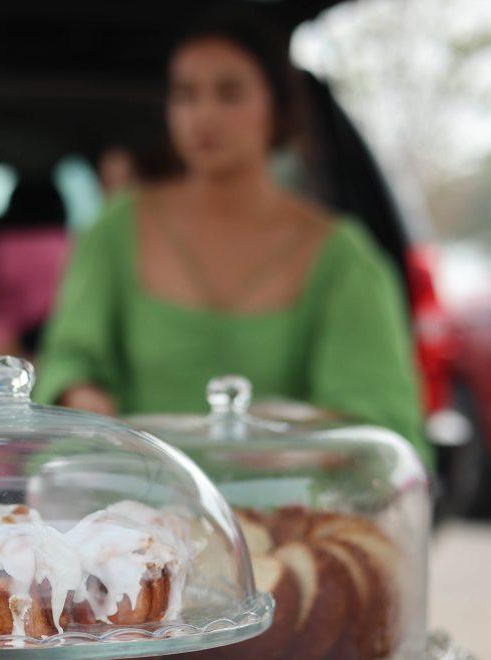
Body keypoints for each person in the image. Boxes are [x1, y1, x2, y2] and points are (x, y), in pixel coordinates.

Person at [33, 10, 429, 463]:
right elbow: (70, 358)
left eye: (229, 93)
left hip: (288, 517)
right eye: (185, 95)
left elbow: (376, 417)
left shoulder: (341, 254)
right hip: (136, 508)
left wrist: (283, 444)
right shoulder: (116, 228)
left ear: (277, 109)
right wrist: (80, 393)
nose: (203, 115)